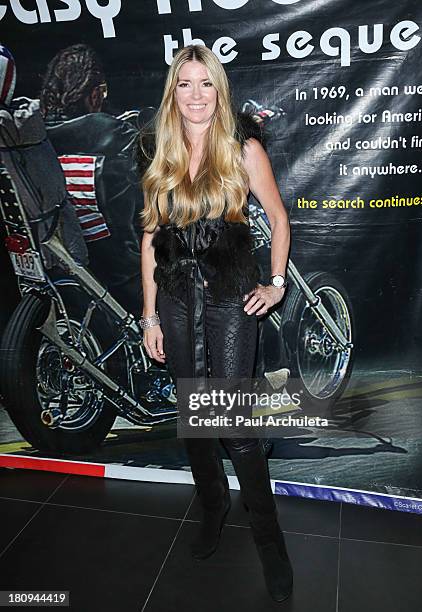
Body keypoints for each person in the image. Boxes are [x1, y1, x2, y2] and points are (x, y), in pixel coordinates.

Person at [138, 45, 292, 603]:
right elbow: (150, 239)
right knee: (191, 418)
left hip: (230, 298)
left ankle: (272, 544)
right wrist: (149, 317)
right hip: (177, 301)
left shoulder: (241, 146)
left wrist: (274, 284)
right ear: (172, 93)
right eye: (185, 84)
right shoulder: (159, 151)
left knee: (231, 425)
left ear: (219, 90)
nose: (196, 95)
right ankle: (212, 506)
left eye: (206, 83)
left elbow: (276, 216)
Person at [39, 44, 143, 318]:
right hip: (124, 276)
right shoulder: (112, 133)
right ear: (94, 92)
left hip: (65, 273)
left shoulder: (33, 137)